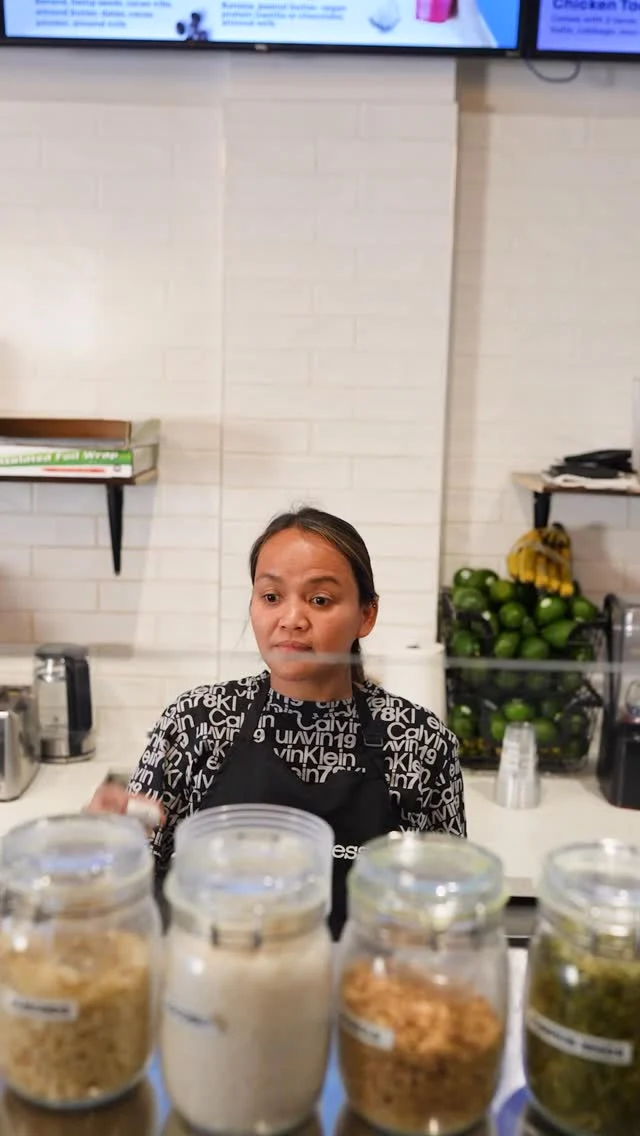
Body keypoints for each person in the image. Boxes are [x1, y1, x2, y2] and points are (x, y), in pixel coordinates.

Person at [88, 507, 466, 938]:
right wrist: (101, 842)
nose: (291, 619)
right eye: (271, 597)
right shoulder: (198, 723)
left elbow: (449, 912)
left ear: (366, 615)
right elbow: (126, 887)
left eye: (319, 600)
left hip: (358, 991)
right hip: (215, 987)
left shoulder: (419, 742)